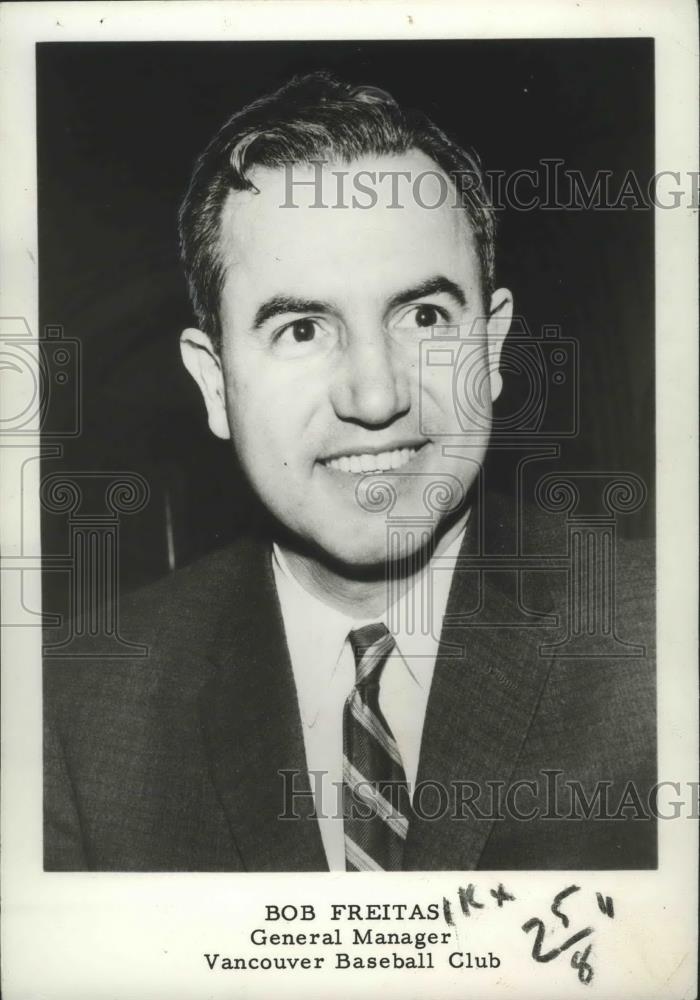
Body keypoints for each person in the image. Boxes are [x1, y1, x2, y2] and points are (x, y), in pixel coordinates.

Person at [44, 72, 656, 872]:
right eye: (302, 329)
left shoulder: (666, 644)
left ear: (493, 346)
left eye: (425, 317)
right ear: (213, 383)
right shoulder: (71, 710)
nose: (376, 396)